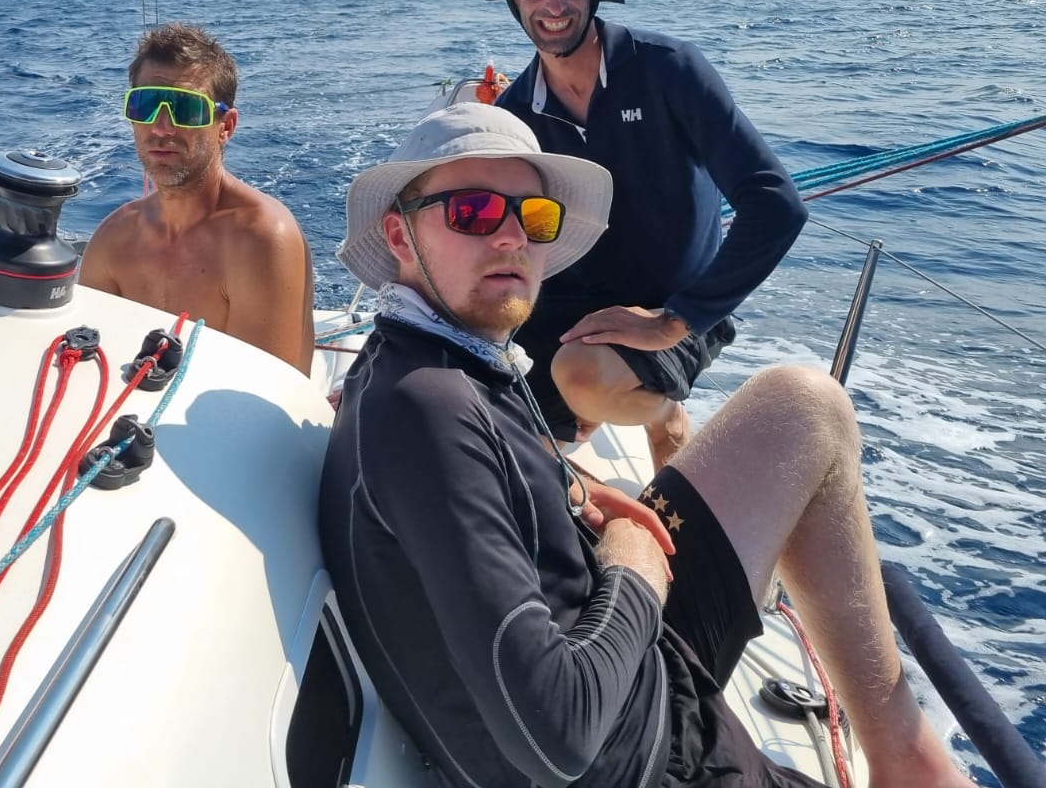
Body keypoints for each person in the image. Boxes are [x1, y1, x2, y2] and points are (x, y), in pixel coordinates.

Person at [319, 102, 970, 788]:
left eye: (534, 216)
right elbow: (557, 741)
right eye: (473, 212)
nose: (511, 237)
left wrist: (569, 483)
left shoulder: (428, 361)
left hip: (636, 668)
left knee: (803, 408)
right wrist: (633, 566)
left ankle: (908, 763)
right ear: (399, 235)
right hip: (658, 758)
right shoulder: (427, 409)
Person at [480, 0, 807, 466]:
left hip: (675, 304)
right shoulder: (516, 116)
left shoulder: (667, 70)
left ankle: (664, 418)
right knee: (494, 438)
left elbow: (775, 203)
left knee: (580, 375)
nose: (553, 2)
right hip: (570, 304)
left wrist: (676, 320)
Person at [79, 22, 315, 374]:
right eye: (144, 105)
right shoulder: (113, 239)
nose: (161, 127)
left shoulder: (261, 237)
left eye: (185, 108)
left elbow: (261, 399)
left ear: (226, 126)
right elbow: (86, 360)